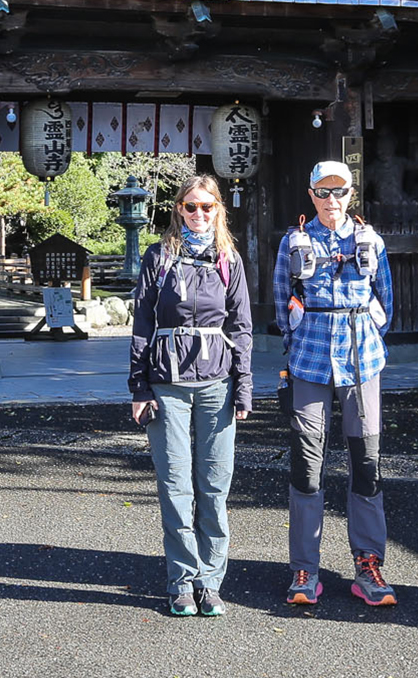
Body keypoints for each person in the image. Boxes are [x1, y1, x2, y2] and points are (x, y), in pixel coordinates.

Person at [128, 174, 254, 618]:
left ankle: (210, 581)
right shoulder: (160, 257)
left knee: (215, 485)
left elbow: (240, 327)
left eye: (207, 207)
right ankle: (181, 579)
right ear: (178, 210)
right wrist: (139, 386)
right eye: (190, 206)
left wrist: (244, 386)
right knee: (175, 486)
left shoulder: (228, 259)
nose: (199, 214)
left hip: (216, 383)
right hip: (167, 383)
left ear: (219, 210)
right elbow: (142, 322)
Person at [272, 161, 396, 607]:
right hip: (308, 360)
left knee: (367, 462)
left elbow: (387, 300)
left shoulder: (370, 241)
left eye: (339, 192)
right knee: (306, 465)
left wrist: (366, 337)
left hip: (362, 360)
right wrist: (296, 340)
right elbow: (279, 299)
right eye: (322, 193)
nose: (331, 201)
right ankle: (304, 567)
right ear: (311, 195)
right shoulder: (294, 242)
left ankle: (368, 562)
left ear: (351, 193)